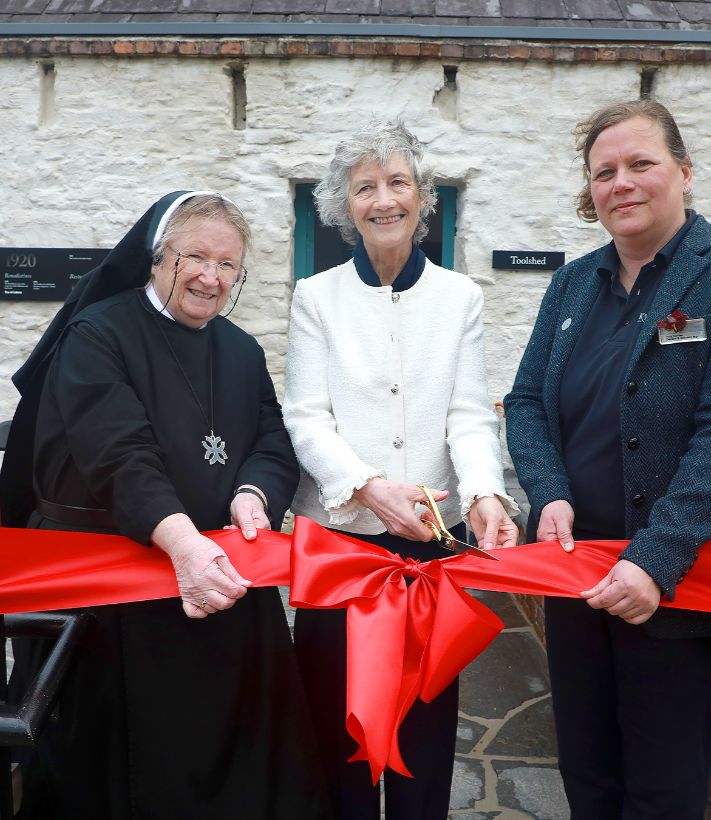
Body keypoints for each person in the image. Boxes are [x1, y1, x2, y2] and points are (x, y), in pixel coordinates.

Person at [0, 191, 330, 819]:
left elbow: (271, 439)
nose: (212, 276)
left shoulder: (242, 350)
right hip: (112, 586)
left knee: (234, 746)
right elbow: (118, 453)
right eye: (195, 257)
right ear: (157, 259)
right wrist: (183, 542)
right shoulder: (97, 334)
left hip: (218, 580)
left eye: (228, 264)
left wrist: (252, 494)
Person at [504, 100, 711, 819]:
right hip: (580, 574)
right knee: (588, 775)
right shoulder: (572, 284)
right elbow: (529, 403)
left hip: (685, 578)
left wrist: (654, 561)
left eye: (641, 164)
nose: (621, 183)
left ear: (684, 173)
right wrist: (550, 494)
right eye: (605, 172)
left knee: (662, 790)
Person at [282, 120, 519, 820]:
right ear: (342, 206)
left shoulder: (460, 298)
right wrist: (365, 488)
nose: (383, 199)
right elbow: (305, 416)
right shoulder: (314, 297)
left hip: (426, 551)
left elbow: (471, 414)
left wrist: (484, 495)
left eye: (398, 182)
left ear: (421, 197)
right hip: (340, 549)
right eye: (365, 187)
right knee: (337, 731)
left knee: (424, 729)